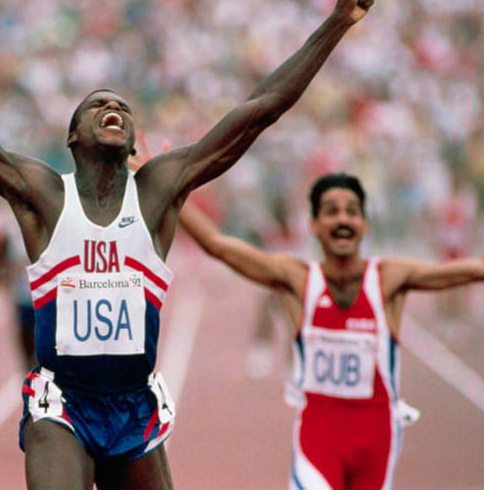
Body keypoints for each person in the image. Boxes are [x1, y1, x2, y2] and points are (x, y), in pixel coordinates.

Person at [0, 0, 373, 489]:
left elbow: (261, 110)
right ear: (73, 137)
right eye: (97, 105)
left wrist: (336, 23)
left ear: (135, 139)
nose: (113, 106)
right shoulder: (43, 194)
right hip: (62, 403)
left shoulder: (160, 189)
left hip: (134, 405)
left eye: (122, 105)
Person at [173, 171, 484, 490]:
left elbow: (474, 269)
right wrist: (169, 186)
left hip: (376, 442)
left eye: (352, 211)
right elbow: (217, 244)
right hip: (319, 437)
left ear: (365, 224)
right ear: (313, 224)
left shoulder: (389, 278)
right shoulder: (300, 279)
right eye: (331, 211)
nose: (342, 220)